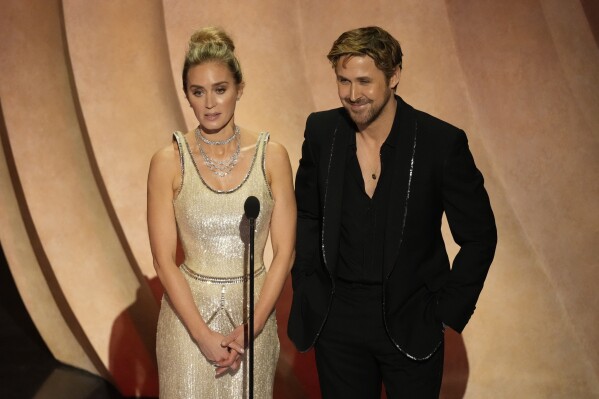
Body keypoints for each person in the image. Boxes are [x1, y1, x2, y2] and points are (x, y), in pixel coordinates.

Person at [288, 26, 497, 398]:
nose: (353, 95)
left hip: (412, 317)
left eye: (365, 81)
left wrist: (444, 312)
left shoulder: (440, 142)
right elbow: (307, 215)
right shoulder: (322, 132)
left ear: (395, 75)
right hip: (337, 322)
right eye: (343, 81)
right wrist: (306, 280)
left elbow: (480, 236)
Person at [147, 27, 296, 398]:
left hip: (254, 323)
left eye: (220, 89)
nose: (210, 103)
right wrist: (202, 335)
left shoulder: (272, 156)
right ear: (187, 96)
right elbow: (163, 261)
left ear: (239, 89)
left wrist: (252, 327)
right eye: (198, 92)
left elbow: (285, 253)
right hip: (187, 327)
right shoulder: (169, 161)